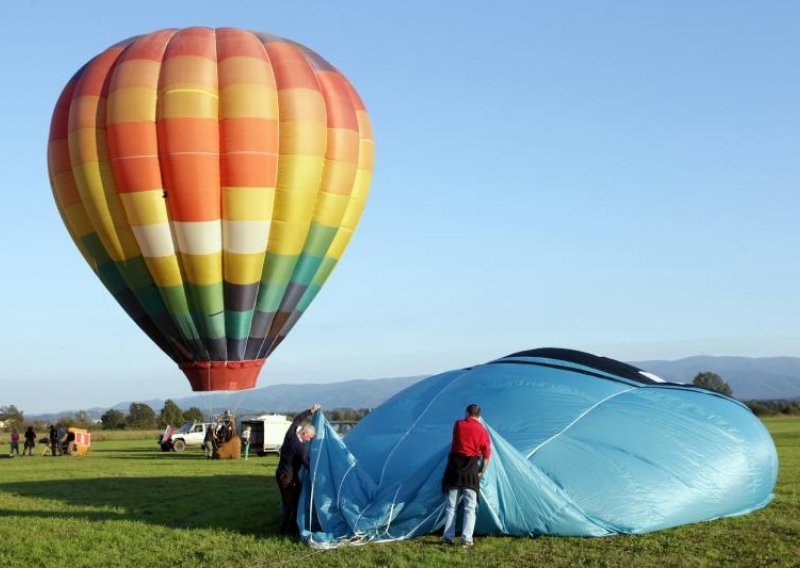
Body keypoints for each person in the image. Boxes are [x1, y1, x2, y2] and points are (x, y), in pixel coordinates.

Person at [441, 403, 492, 548]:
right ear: (479, 416)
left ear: (467, 413)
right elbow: (487, 454)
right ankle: (467, 539)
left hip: (454, 470)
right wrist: (481, 471)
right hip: (470, 471)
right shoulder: (482, 431)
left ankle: (448, 538)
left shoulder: (458, 424)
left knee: (451, 506)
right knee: (470, 507)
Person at [275, 403, 321, 536]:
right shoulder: (299, 447)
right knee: (292, 504)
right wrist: (318, 474)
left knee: (289, 502)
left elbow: (296, 420)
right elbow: (307, 463)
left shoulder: (290, 435)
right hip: (288, 478)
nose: (310, 440)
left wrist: (310, 411)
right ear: (305, 433)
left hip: (280, 474)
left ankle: (290, 527)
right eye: (310, 437)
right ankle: (286, 530)